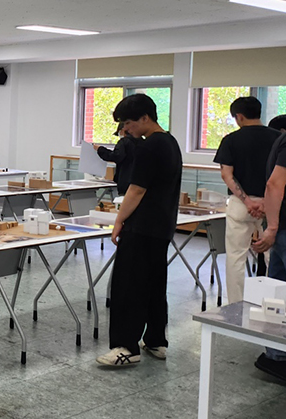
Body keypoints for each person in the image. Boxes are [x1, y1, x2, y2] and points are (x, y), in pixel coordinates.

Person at [96, 94, 182, 367]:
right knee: (155, 284)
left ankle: (126, 347)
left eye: (129, 122)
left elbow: (136, 190)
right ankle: (156, 340)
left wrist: (119, 221)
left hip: (141, 226)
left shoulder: (149, 146)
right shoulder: (170, 142)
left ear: (145, 118)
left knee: (129, 286)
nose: (126, 129)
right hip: (161, 226)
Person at [252, 107, 286, 389]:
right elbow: (275, 184)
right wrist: (272, 228)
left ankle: (279, 354)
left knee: (281, 297)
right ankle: (279, 354)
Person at [213, 97, 281, 304]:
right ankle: (273, 303)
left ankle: (235, 304)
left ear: (239, 116)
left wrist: (248, 202)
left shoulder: (231, 140)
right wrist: (265, 202)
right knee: (273, 256)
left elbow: (227, 175)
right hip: (272, 203)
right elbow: (282, 176)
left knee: (235, 256)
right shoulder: (278, 138)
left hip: (240, 204)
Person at [94, 122, 140, 195]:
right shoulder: (141, 141)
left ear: (123, 130)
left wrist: (100, 150)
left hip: (125, 179)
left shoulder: (124, 142)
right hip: (139, 182)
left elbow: (116, 156)